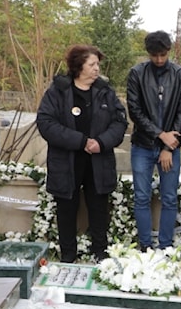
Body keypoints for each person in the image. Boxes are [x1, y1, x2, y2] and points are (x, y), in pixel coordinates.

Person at [36, 44, 128, 263]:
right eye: (92, 64)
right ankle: (69, 255)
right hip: (66, 162)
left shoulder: (105, 91)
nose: (97, 68)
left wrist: (101, 142)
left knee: (98, 209)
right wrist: (81, 141)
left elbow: (119, 122)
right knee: (67, 210)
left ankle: (100, 253)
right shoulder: (58, 92)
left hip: (98, 162)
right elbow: (46, 123)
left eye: (98, 64)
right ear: (79, 66)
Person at [126, 30, 181, 251]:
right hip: (142, 145)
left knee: (170, 198)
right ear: (148, 53)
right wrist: (159, 134)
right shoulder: (136, 73)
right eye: (155, 55)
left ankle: (166, 246)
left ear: (169, 51)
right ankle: (145, 245)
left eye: (163, 55)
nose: (159, 60)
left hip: (170, 147)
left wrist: (167, 145)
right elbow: (134, 111)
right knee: (142, 197)